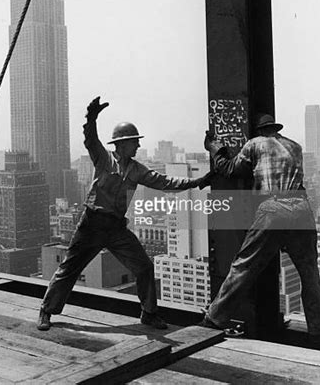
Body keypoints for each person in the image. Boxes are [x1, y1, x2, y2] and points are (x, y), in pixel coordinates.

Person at [37, 97, 212, 331]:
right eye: (134, 143)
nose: (137, 146)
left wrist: (196, 182)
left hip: (115, 228)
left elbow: (164, 181)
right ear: (121, 144)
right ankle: (46, 311)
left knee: (144, 267)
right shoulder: (103, 158)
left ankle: (149, 314)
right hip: (92, 224)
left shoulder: (137, 169)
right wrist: (91, 117)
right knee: (69, 269)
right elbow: (91, 140)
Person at [202, 113, 320, 337]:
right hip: (301, 209)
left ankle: (215, 316)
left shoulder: (255, 144)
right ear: (276, 129)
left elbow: (230, 169)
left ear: (260, 131)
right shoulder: (296, 147)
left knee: (244, 265)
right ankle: (317, 328)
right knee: (309, 273)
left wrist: (215, 149)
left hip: (273, 208)